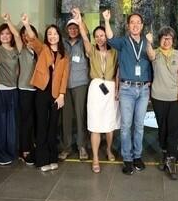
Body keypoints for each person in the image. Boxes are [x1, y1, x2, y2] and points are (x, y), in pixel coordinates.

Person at [103, 9, 152, 175]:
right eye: (132, 22)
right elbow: (109, 38)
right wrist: (107, 20)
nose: (135, 25)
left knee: (139, 126)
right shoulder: (123, 41)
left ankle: (137, 156)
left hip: (144, 89)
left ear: (142, 25)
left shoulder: (147, 42)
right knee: (125, 126)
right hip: (126, 89)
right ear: (128, 25)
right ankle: (127, 159)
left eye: (138, 22)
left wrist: (151, 43)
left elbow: (153, 59)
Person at [73, 9, 119, 173]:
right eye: (97, 36)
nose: (100, 38)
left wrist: (117, 89)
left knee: (110, 123)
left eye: (102, 35)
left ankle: (108, 149)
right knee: (94, 124)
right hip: (95, 88)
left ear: (107, 36)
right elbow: (84, 36)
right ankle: (95, 157)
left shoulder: (115, 52)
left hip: (111, 87)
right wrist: (79, 20)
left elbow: (118, 72)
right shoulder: (91, 50)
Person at [22, 14, 70, 172]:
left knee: (53, 127)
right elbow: (32, 39)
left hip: (56, 95)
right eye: (49, 34)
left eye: (54, 33)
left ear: (59, 36)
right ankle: (42, 160)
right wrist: (27, 24)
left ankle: (52, 158)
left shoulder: (64, 56)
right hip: (42, 92)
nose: (52, 36)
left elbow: (64, 77)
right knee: (41, 125)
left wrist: (62, 95)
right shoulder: (43, 49)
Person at [145, 27, 178, 180]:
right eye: (163, 38)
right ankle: (164, 153)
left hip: (175, 98)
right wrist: (148, 43)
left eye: (169, 38)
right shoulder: (155, 52)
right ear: (159, 39)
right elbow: (149, 55)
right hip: (158, 97)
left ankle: (171, 159)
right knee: (162, 128)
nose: (166, 41)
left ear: (173, 40)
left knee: (173, 129)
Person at [0, 1, 22, 165]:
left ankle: (10, 153)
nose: (6, 36)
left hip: (13, 91)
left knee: (11, 124)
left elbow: (17, 36)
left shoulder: (17, 50)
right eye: (3, 34)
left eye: (8, 33)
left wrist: (8, 20)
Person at [59, 15, 90, 161]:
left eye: (75, 27)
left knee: (80, 115)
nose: (73, 30)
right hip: (64, 85)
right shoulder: (62, 43)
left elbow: (86, 34)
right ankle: (66, 147)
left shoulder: (83, 42)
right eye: (70, 28)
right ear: (66, 30)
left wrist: (79, 19)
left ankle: (82, 146)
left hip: (80, 84)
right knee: (65, 118)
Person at [17, 23, 39, 166]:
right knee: (26, 120)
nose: (27, 37)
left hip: (37, 89)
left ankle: (33, 146)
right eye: (24, 34)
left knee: (35, 120)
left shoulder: (39, 50)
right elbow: (16, 35)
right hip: (24, 89)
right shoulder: (21, 49)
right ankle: (25, 150)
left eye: (29, 34)